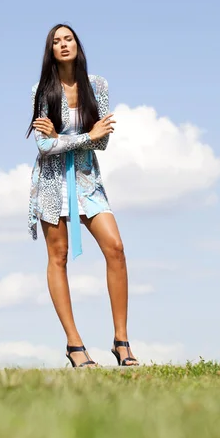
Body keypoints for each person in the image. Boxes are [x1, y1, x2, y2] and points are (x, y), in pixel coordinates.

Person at [27, 24, 139, 368]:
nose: (63, 45)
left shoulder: (97, 86)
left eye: (68, 39)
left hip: (89, 180)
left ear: (77, 45)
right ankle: (75, 346)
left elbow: (103, 141)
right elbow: (45, 147)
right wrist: (85, 135)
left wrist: (70, 137)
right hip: (51, 182)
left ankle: (122, 342)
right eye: (56, 41)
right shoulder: (42, 92)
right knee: (57, 257)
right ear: (51, 50)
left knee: (115, 248)